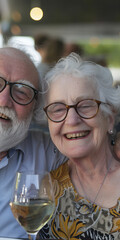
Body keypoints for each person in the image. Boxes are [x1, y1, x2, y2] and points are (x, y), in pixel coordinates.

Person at [0, 45, 67, 238]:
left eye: (22, 91)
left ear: (34, 108)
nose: (3, 100)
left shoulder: (51, 151)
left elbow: (98, 155)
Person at [39, 52, 120, 239]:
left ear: (109, 119)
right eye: (58, 109)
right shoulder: (46, 189)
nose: (72, 120)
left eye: (85, 105)